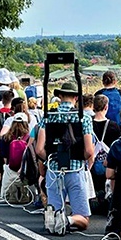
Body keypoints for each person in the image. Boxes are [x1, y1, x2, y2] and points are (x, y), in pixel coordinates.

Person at [35, 82, 94, 232]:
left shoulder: (48, 117)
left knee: (55, 208)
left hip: (54, 170)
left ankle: (54, 217)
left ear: (59, 96)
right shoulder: (84, 118)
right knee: (83, 218)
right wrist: (82, 159)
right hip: (75, 169)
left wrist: (50, 160)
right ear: (76, 97)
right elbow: (89, 150)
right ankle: (68, 219)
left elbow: (39, 149)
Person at [90, 95, 121, 212]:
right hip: (107, 161)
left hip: (92, 160)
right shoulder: (113, 126)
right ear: (106, 107)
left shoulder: (88, 124)